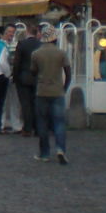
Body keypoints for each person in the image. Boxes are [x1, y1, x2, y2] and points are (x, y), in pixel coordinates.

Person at [31, 23, 73, 164]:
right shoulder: (61, 53)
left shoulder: (36, 54)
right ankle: (61, 149)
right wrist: (64, 88)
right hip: (57, 91)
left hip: (42, 91)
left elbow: (33, 72)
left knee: (42, 123)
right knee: (59, 122)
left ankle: (44, 153)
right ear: (55, 39)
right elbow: (68, 73)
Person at [11, 21, 41, 137]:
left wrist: (15, 76)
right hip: (37, 77)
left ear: (27, 32)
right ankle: (37, 128)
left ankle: (27, 128)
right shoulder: (40, 45)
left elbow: (17, 62)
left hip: (23, 77)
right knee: (35, 103)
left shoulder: (22, 44)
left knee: (25, 104)